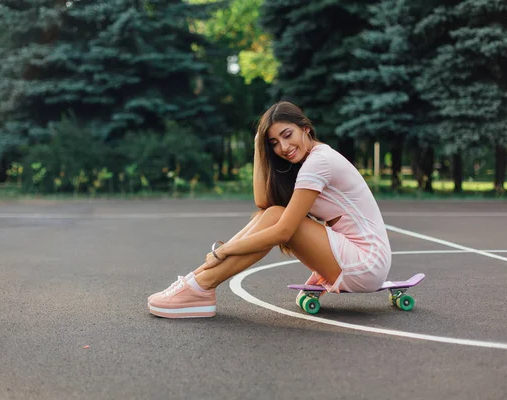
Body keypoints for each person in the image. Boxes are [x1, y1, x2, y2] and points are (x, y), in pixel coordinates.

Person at [147, 101, 392, 318]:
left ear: (305, 128)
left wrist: (224, 250)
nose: (283, 147)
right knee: (272, 213)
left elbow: (283, 232)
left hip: (366, 263)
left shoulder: (319, 162)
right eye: (274, 143)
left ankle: (200, 285)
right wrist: (258, 146)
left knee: (277, 218)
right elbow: (263, 202)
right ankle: (196, 282)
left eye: (288, 135)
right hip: (354, 257)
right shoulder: (308, 161)